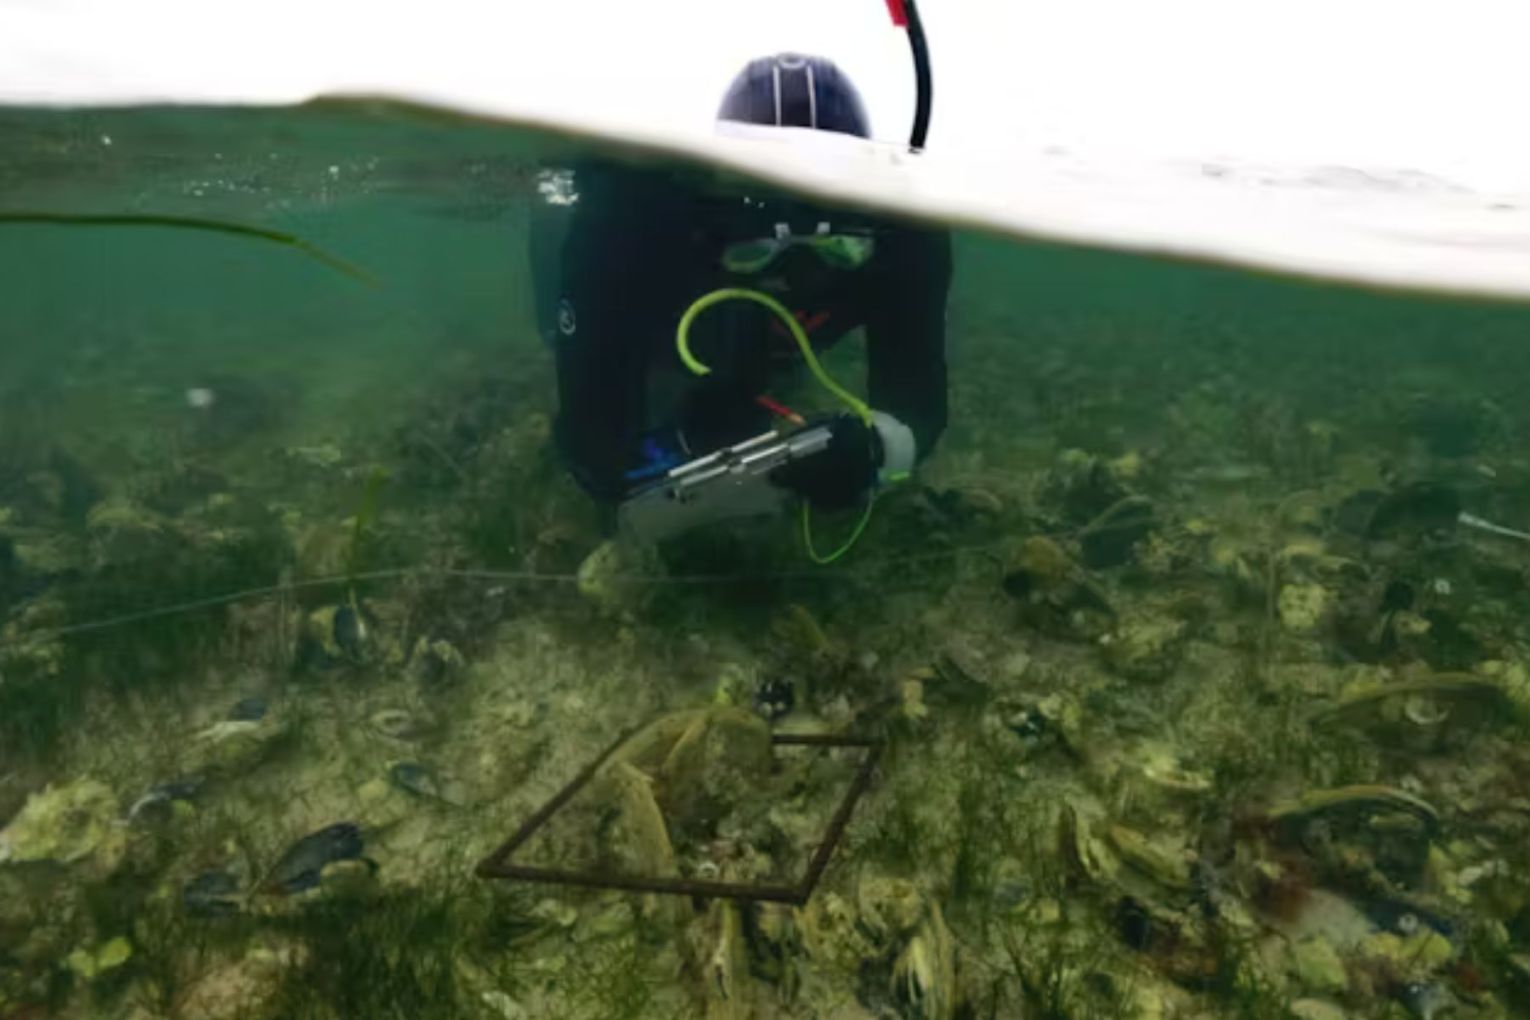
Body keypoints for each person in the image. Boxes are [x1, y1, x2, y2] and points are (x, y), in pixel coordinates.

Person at [530, 53, 952, 544]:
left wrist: (878, 453)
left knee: (769, 373)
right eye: (757, 249)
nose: (793, 276)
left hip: (749, 337)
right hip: (658, 321)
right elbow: (592, 453)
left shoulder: (901, 232)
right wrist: (679, 441)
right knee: (557, 334)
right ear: (716, 206)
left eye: (834, 246)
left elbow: (919, 404)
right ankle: (549, 219)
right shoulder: (629, 225)